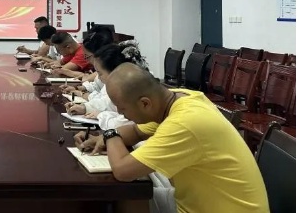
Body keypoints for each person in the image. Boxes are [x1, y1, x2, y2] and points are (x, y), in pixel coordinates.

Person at [75, 63, 269, 213]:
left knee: (128, 192)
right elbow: (134, 132)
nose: (120, 113)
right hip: (196, 202)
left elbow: (123, 171)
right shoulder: (177, 99)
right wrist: (106, 137)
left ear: (145, 104)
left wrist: (109, 134)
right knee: (130, 195)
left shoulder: (184, 123)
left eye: (122, 107)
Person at [65, 41, 146, 130]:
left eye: (100, 74)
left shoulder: (133, 88)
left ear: (115, 71)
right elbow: (107, 102)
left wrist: (101, 116)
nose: (98, 78)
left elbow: (126, 123)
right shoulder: (120, 83)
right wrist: (85, 108)